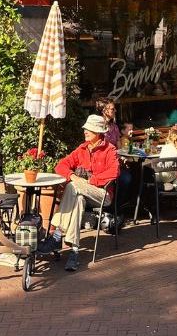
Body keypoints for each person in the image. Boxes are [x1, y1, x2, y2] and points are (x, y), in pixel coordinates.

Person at [37, 114, 119, 272]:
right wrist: (73, 176)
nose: (85, 131)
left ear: (98, 132)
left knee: (74, 187)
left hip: (102, 195)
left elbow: (114, 172)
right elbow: (61, 165)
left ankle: (56, 234)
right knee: (78, 199)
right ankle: (74, 251)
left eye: (89, 129)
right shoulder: (81, 149)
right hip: (81, 193)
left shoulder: (110, 149)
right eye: (86, 129)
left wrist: (90, 182)